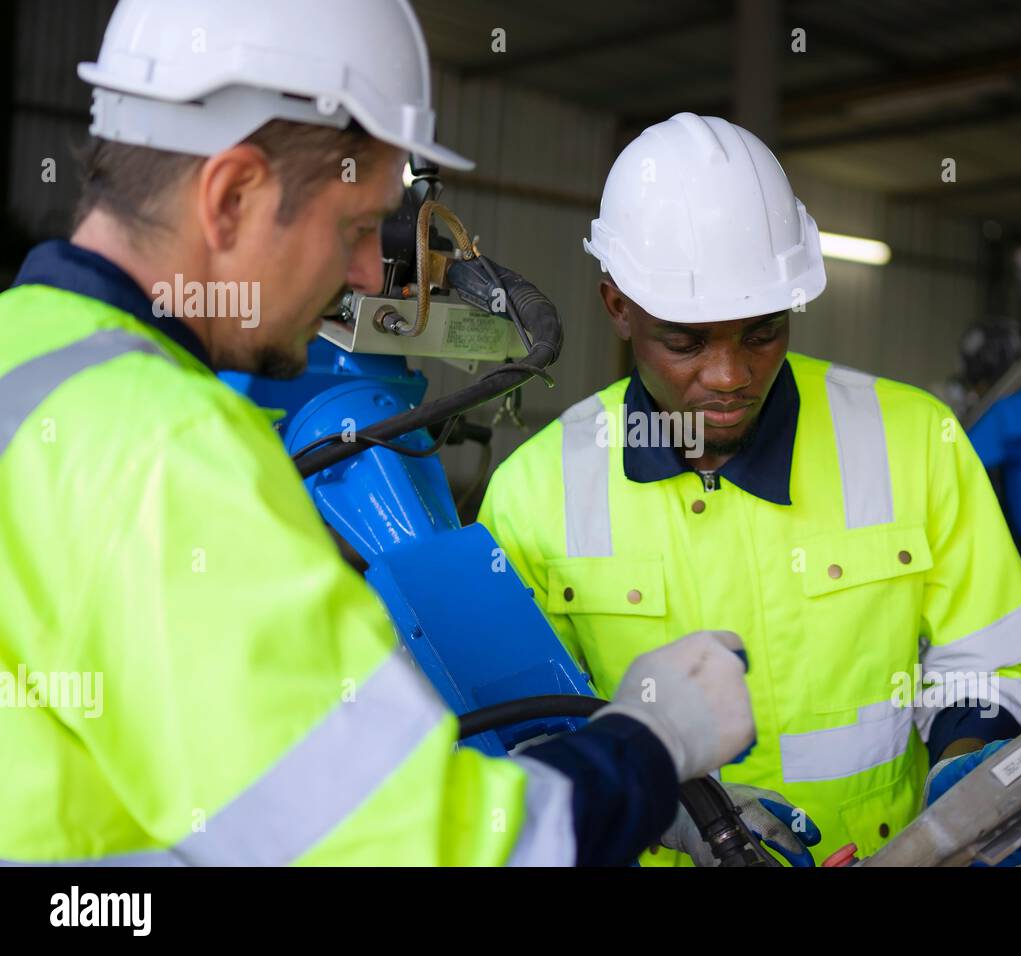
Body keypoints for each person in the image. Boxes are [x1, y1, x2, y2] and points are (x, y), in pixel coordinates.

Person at [0, 0, 756, 867]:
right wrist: (653, 745)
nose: (367, 274)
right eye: (355, 228)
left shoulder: (22, 353)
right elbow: (415, 851)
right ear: (232, 194)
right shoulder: (172, 449)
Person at [478, 112, 1021, 866]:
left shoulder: (916, 439)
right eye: (686, 341)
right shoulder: (532, 492)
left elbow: (990, 655)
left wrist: (965, 773)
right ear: (617, 307)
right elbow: (522, 733)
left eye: (762, 332)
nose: (728, 376)